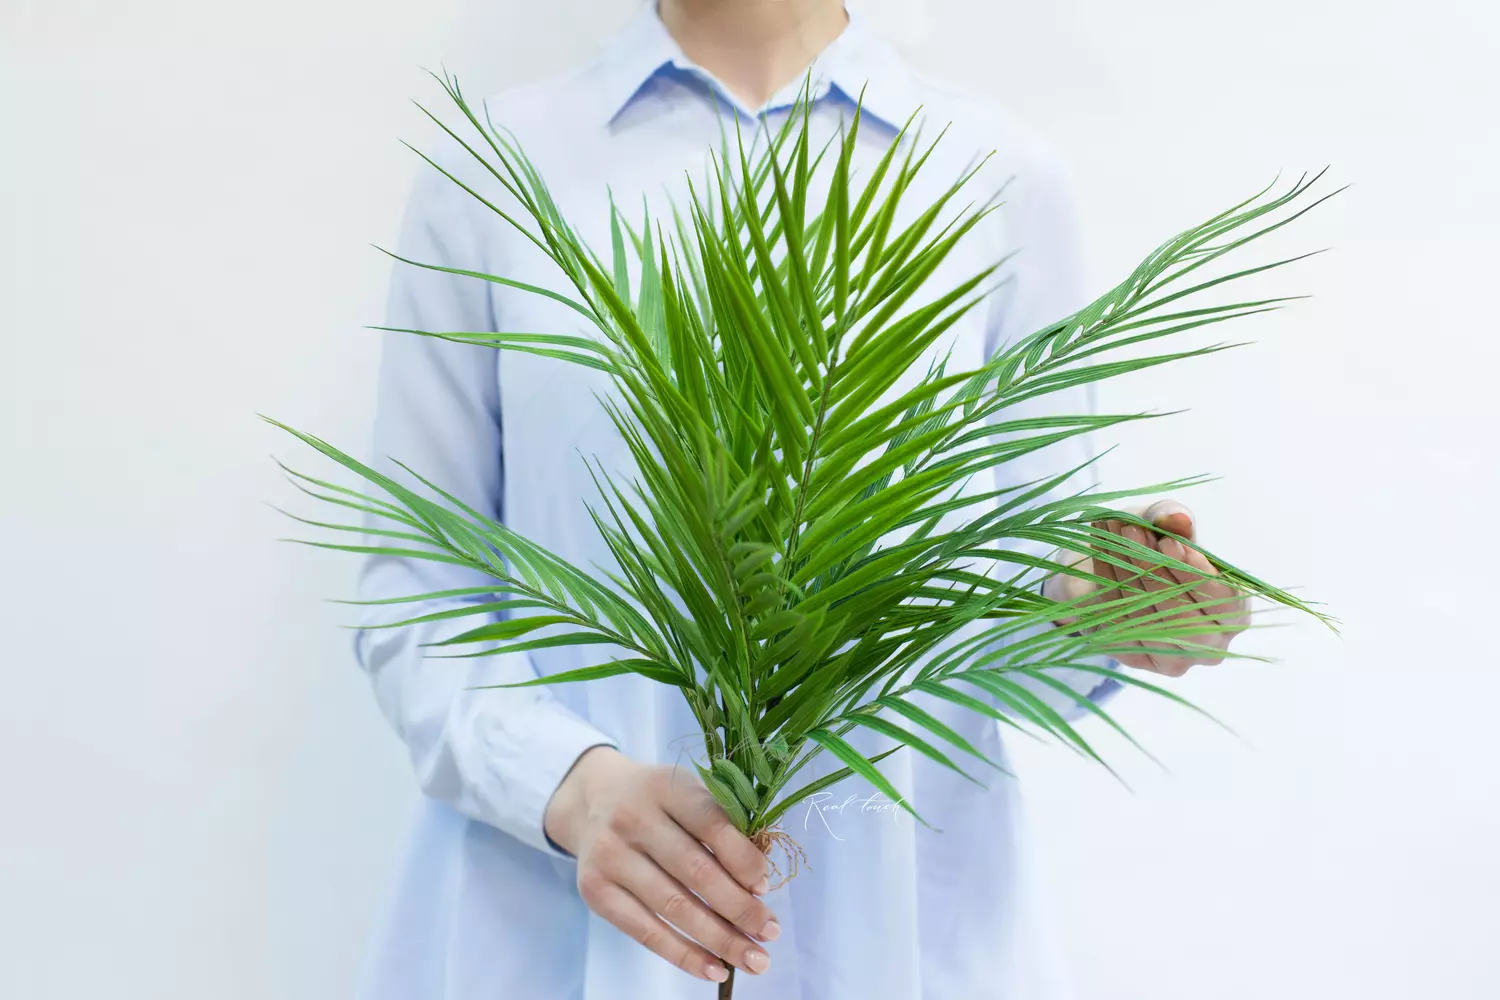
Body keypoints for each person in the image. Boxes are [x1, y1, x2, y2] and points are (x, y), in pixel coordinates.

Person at [353, 2, 1247, 998]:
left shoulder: (997, 176)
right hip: (563, 931)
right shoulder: (497, 172)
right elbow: (415, 592)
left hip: (902, 930)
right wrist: (574, 785)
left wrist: (1113, 608)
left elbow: (1024, 590)